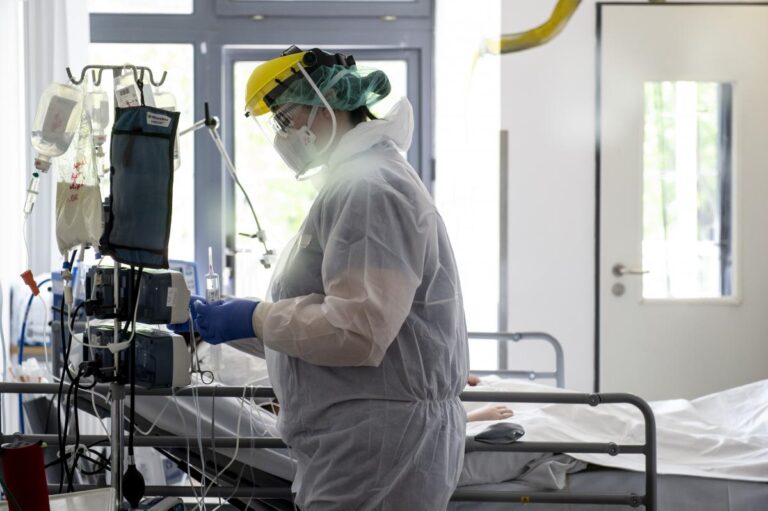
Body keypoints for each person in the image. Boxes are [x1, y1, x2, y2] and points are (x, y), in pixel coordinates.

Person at [187, 46, 469, 510]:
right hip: (363, 441)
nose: (282, 135)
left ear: (325, 104)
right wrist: (226, 323)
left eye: (284, 118)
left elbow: (357, 331)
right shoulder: (357, 182)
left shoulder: (370, 189)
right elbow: (323, 327)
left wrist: (255, 318)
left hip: (376, 449)